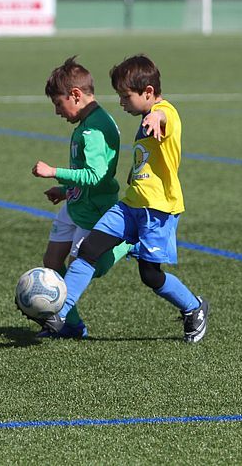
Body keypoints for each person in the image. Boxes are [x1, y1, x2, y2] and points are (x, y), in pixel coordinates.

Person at [28, 55, 209, 343]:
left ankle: (194, 308)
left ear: (148, 92)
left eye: (126, 97)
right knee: (88, 250)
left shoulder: (165, 113)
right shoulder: (141, 120)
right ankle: (60, 311)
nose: (122, 103)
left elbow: (165, 117)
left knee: (150, 275)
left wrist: (156, 115)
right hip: (130, 204)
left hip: (157, 210)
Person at [30, 56, 134, 339]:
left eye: (58, 104)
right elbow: (84, 176)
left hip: (94, 211)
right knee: (51, 262)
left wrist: (54, 173)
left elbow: (96, 176)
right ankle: (72, 325)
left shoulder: (94, 130)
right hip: (76, 204)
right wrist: (65, 191)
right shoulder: (88, 124)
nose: (57, 112)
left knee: (86, 266)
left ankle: (124, 245)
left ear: (75, 95)